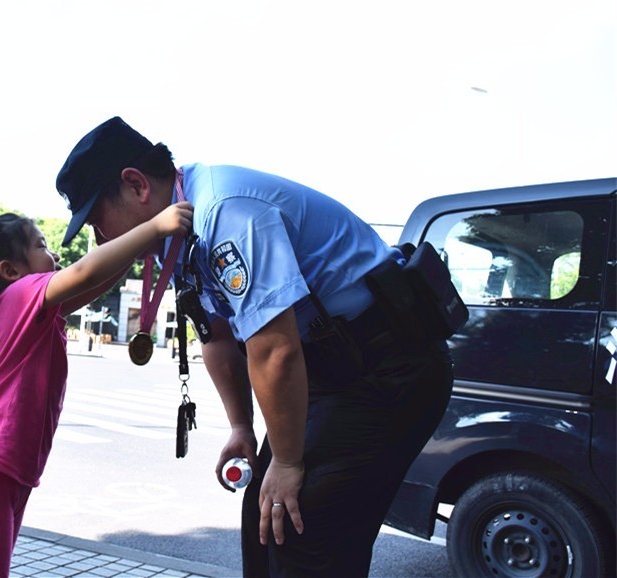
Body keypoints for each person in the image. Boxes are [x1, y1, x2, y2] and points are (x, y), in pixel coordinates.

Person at [55, 116, 454, 577]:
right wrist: (241, 426)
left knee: (299, 529)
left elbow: (274, 349)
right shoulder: (180, 229)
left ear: (135, 185)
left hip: (387, 370)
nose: (101, 239)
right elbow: (218, 336)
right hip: (333, 373)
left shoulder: (225, 210)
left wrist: (286, 460)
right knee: (261, 520)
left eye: (98, 221)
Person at [0, 202, 192, 578]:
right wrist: (153, 227)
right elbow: (85, 270)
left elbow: (94, 280)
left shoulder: (36, 311)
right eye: (42, 245)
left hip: (6, 477)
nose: (54, 253)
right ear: (10, 271)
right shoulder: (20, 295)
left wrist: (136, 248)